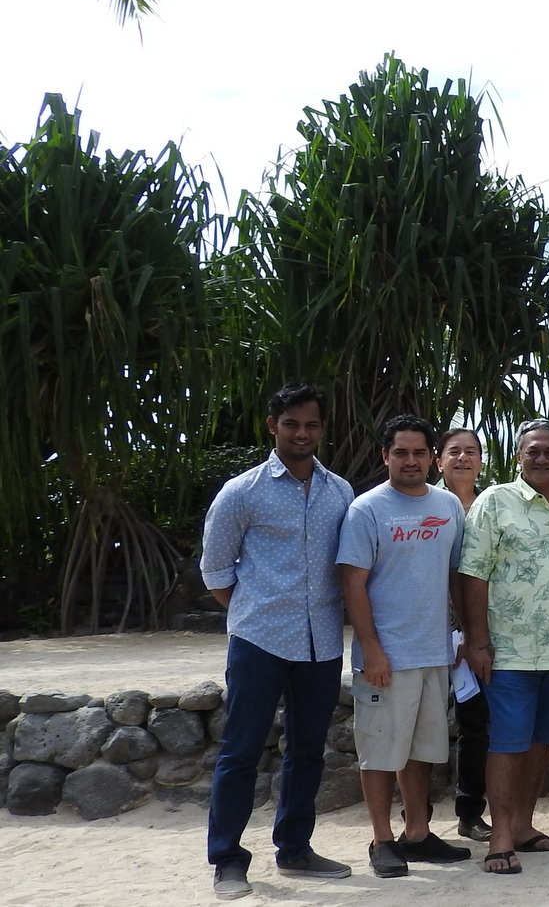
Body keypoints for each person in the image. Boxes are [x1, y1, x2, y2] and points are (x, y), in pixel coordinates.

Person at [200, 382, 355, 900]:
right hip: (259, 639)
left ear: (322, 428)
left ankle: (295, 848)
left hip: (322, 642)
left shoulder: (340, 492)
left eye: (311, 424)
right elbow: (216, 571)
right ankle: (227, 859)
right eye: (292, 423)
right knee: (240, 752)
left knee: (308, 751)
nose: (302, 433)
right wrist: (255, 611)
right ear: (273, 426)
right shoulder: (242, 492)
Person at [338, 415, 473, 876]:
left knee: (421, 750)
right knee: (379, 750)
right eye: (401, 452)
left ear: (432, 456)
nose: (410, 460)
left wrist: (467, 634)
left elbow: (456, 576)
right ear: (385, 456)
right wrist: (371, 649)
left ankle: (417, 833)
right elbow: (353, 585)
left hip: (434, 652)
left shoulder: (449, 506)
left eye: (419, 452)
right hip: (386, 658)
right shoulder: (367, 509)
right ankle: (381, 841)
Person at [459, 420, 549, 875]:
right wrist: (478, 641)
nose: (543, 458)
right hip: (510, 649)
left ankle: (525, 828)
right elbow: (472, 574)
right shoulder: (495, 502)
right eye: (534, 451)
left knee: (540, 742)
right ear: (518, 455)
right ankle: (499, 837)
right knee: (508, 743)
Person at [438, 428, 495, 842]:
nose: (462, 459)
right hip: (427, 631)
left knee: (476, 724)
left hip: (481, 634)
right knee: (417, 727)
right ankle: (415, 814)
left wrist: (472, 635)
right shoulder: (423, 503)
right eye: (453, 452)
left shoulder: (493, 505)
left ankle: (469, 811)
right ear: (438, 460)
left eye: (471, 452)